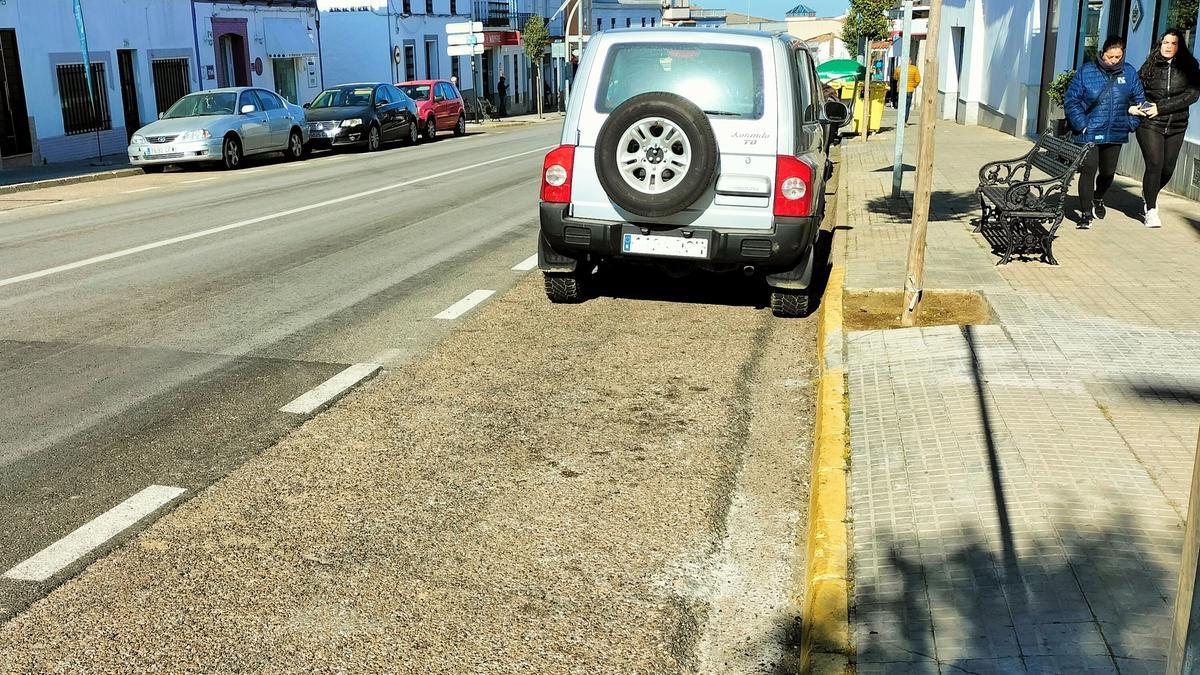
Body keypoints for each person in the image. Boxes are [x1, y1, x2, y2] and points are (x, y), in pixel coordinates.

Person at [1065, 35, 1147, 229]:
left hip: (1116, 131)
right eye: (1110, 57)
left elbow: (1140, 101)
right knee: (1088, 170)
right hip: (1089, 132)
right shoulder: (1087, 71)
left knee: (1108, 173)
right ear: (1102, 53)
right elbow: (1072, 100)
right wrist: (1082, 125)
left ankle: (1098, 197)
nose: (1113, 61)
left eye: (1117, 57)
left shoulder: (1129, 73)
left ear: (1122, 55)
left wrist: (1130, 124)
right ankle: (1085, 214)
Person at [1135, 27, 1200, 228]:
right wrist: (1140, 107)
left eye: (1173, 43)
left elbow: (1192, 95)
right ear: (1159, 45)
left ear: (1179, 46)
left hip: (1177, 124)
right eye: (1165, 43)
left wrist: (1160, 107)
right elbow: (1137, 90)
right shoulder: (1150, 65)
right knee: (1154, 164)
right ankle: (1151, 210)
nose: (1168, 47)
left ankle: (1149, 191)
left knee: (1168, 168)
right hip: (1150, 123)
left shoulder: (1190, 66)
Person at [891, 58, 921, 124]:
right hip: (909, 90)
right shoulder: (914, 69)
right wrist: (914, 85)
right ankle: (905, 121)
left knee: (901, 105)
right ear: (910, 61)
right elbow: (918, 80)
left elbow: (895, 77)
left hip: (901, 90)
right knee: (907, 106)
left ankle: (900, 120)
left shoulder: (899, 68)